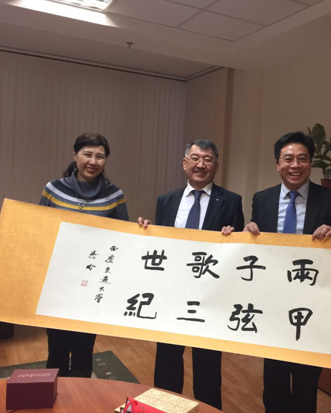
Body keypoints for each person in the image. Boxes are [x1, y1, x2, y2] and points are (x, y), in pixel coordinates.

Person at [0, 132, 129, 377]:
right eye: (87, 154)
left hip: (91, 286)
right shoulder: (53, 189)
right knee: (56, 348)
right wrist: (7, 236)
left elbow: (125, 238)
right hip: (56, 284)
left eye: (100, 156)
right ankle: (55, 395)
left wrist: (143, 229)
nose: (93, 161)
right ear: (75, 155)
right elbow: (38, 230)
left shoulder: (114, 195)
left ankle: (79, 394)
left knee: (84, 349)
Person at [243, 131, 331, 413]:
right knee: (274, 380)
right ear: (277, 164)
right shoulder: (262, 199)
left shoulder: (329, 199)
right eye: (288, 159)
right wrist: (248, 233)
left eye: (302, 159)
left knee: (306, 381)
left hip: (312, 302)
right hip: (273, 301)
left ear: (310, 163)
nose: (295, 165)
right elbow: (256, 244)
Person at [142, 139, 244, 410]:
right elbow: (161, 245)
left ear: (216, 166)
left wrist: (234, 236)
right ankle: (165, 408)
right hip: (172, 294)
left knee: (207, 367)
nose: (201, 165)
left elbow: (238, 251)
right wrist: (147, 231)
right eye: (195, 158)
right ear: (185, 163)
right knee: (167, 361)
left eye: (208, 159)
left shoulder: (231, 201)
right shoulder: (166, 200)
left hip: (210, 297)